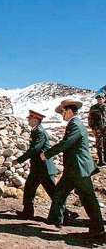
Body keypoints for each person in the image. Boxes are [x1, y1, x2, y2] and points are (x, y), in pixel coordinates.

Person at [41, 99, 104, 238]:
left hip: (79, 168)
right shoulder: (74, 124)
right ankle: (58, 220)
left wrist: (47, 154)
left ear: (69, 111)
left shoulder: (75, 124)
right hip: (72, 169)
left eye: (62, 112)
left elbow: (66, 143)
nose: (61, 115)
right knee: (59, 193)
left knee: (88, 198)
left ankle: (98, 228)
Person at [88, 93, 106, 166]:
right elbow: (90, 118)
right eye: (98, 99)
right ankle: (101, 161)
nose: (100, 100)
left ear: (104, 99)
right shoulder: (93, 108)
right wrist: (92, 127)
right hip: (97, 129)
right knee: (99, 145)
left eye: (101, 99)